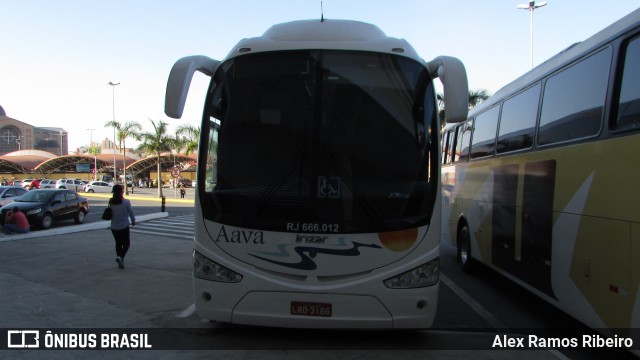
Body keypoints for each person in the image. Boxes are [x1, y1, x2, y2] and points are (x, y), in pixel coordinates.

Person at [108, 184, 136, 269]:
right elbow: (131, 212)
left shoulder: (111, 202)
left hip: (114, 227)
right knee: (126, 244)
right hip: (124, 226)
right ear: (122, 192)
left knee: (118, 244)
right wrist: (133, 221)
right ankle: (121, 257)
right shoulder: (126, 202)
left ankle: (120, 262)